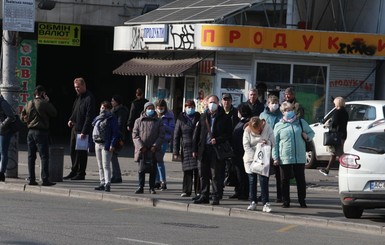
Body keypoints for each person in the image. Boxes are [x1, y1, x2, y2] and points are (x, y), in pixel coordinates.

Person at [272, 101, 314, 208]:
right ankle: (286, 201)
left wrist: (306, 136)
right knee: (284, 180)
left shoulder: (300, 122)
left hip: (299, 156)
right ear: (282, 112)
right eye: (286, 110)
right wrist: (275, 157)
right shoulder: (279, 125)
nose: (288, 112)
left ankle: (302, 200)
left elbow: (311, 133)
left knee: (300, 179)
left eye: (290, 109)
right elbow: (275, 143)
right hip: (284, 156)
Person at [192, 95, 232, 205]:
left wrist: (218, 140)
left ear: (218, 103)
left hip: (216, 149)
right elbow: (197, 134)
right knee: (203, 173)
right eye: (210, 102)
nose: (212, 104)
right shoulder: (203, 116)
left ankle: (216, 196)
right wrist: (194, 149)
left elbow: (228, 134)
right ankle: (204, 195)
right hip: (204, 149)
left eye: (214, 102)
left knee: (216, 175)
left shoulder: (224, 117)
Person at [21, 85, 57, 186]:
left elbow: (22, 116)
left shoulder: (28, 103)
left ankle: (31, 179)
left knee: (31, 156)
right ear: (42, 93)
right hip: (41, 132)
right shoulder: (44, 103)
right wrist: (48, 101)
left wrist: (27, 120)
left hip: (30, 132)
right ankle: (45, 179)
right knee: (44, 156)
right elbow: (54, 113)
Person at [64, 77, 96, 180]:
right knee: (73, 150)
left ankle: (81, 173)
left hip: (82, 130)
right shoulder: (78, 97)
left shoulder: (89, 98)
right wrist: (71, 119)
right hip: (75, 127)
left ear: (83, 85)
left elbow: (89, 116)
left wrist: (84, 131)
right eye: (75, 87)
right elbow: (75, 110)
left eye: (78, 87)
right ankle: (74, 170)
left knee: (81, 153)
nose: (76, 89)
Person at [243, 116, 275, 212]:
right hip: (251, 158)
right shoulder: (247, 130)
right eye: (257, 130)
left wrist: (268, 142)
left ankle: (266, 203)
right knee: (252, 180)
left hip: (263, 158)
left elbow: (273, 141)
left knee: (263, 181)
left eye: (260, 128)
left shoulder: (268, 128)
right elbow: (246, 145)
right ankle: (253, 201)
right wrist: (254, 158)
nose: (259, 131)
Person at [132, 102, 165, 194]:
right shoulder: (138, 121)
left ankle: (152, 187)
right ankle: (140, 186)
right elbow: (135, 135)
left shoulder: (158, 121)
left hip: (153, 150)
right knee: (141, 169)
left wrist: (155, 145)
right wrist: (141, 146)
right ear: (145, 109)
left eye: (152, 108)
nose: (150, 110)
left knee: (153, 170)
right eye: (148, 108)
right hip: (142, 150)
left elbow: (161, 135)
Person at [173, 100, 201, 198]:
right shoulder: (181, 119)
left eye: (192, 106)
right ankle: (186, 190)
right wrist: (175, 151)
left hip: (197, 147)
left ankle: (198, 191)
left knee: (198, 170)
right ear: (185, 108)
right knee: (187, 170)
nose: (190, 108)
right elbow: (176, 135)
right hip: (186, 148)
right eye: (188, 107)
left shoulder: (199, 117)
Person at [259, 94, 283, 202]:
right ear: (268, 104)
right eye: (272, 103)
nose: (274, 105)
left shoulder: (281, 115)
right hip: (266, 146)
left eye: (276, 103)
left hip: (278, 146)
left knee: (279, 173)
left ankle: (280, 195)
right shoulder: (263, 115)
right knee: (265, 173)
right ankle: (264, 194)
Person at [92, 101, 120, 192]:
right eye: (101, 108)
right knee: (100, 165)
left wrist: (112, 144)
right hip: (97, 143)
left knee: (106, 165)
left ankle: (107, 184)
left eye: (105, 108)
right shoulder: (97, 118)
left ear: (108, 109)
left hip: (106, 144)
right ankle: (102, 182)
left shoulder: (111, 118)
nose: (103, 109)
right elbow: (93, 128)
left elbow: (115, 133)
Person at [319, 96, 349, 176]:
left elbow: (335, 123)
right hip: (342, 134)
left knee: (339, 153)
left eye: (334, 103)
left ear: (337, 103)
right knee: (334, 153)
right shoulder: (345, 112)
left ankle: (346, 169)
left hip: (336, 134)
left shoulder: (337, 112)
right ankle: (327, 169)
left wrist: (329, 124)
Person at [230, 103, 252, 200]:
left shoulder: (247, 122)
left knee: (242, 174)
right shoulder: (241, 121)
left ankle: (244, 193)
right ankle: (238, 191)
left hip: (242, 152)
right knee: (238, 173)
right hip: (236, 152)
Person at [154, 99, 175, 190]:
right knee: (155, 161)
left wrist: (162, 124)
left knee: (159, 160)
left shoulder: (169, 116)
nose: (160, 109)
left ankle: (163, 181)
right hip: (154, 140)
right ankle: (157, 181)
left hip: (163, 141)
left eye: (161, 108)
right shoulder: (153, 115)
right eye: (158, 108)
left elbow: (172, 129)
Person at [221, 93, 240, 191]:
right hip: (222, 143)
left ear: (231, 101)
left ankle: (237, 189)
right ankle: (220, 189)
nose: (226, 102)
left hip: (233, 143)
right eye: (224, 100)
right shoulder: (219, 112)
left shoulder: (235, 112)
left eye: (228, 100)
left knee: (235, 167)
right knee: (222, 168)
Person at [110, 95, 129, 183]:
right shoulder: (113, 110)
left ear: (117, 102)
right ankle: (115, 175)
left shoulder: (121, 110)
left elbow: (120, 124)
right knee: (112, 156)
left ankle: (117, 176)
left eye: (113, 101)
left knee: (113, 156)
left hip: (117, 136)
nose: (111, 102)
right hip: (114, 135)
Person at [0, 94, 16, 182]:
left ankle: (2, 173)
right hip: (1, 130)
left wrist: (2, 125)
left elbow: (11, 116)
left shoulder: (3, 103)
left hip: (4, 131)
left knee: (3, 152)